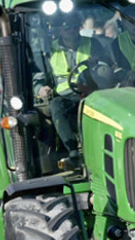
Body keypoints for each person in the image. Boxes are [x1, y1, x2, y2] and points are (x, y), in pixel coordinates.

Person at [35, 14, 101, 158]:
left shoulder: (93, 44)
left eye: (74, 26)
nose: (71, 30)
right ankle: (72, 151)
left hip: (92, 94)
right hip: (66, 98)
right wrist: (40, 89)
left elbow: (106, 67)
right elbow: (39, 77)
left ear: (80, 27)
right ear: (59, 30)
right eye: (66, 27)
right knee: (55, 106)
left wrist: (97, 66)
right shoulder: (49, 51)